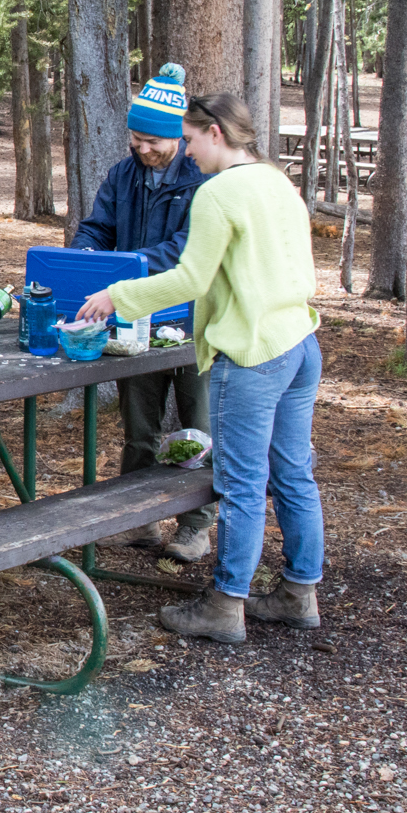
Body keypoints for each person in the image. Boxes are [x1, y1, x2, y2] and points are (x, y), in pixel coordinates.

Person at [76, 92, 324, 644]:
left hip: (254, 352)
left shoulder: (218, 192)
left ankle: (225, 604)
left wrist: (119, 296)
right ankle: (298, 592)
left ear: (215, 133)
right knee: (293, 478)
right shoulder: (276, 181)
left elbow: (190, 279)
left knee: (239, 484)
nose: (187, 150)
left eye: (188, 139)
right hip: (300, 341)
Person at [69, 62, 216, 562]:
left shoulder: (203, 178)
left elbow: (185, 249)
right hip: (134, 317)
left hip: (194, 317)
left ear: (178, 137)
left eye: (153, 141)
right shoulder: (123, 175)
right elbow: (98, 226)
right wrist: (85, 257)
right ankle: (139, 518)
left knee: (198, 423)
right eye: (136, 139)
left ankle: (196, 525)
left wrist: (130, 272)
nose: (143, 148)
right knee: (139, 424)